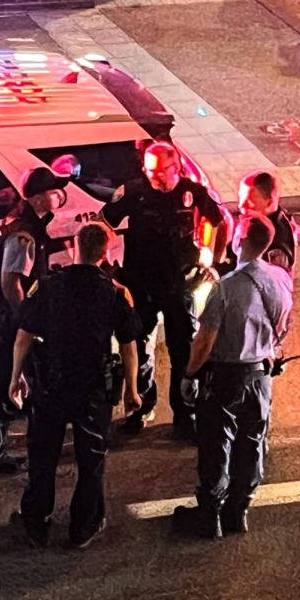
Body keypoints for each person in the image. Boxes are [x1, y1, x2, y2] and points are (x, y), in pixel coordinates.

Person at [8, 223, 141, 548]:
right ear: (106, 252)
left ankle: (36, 522)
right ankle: (85, 525)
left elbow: (23, 337)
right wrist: (131, 390)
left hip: (51, 384)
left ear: (73, 245)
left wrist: (15, 378)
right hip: (93, 388)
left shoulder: (48, 287)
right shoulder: (115, 292)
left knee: (43, 456)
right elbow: (129, 346)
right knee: (91, 458)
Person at [173, 215, 294, 539]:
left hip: (225, 377)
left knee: (217, 444)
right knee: (252, 443)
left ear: (239, 241)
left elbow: (205, 340)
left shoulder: (226, 289)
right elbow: (286, 323)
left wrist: (189, 375)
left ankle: (209, 514)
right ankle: (239, 511)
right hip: (260, 376)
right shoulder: (281, 279)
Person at [101, 141, 229, 442]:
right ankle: (140, 408)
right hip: (140, 284)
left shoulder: (192, 192)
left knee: (182, 350)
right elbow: (103, 221)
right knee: (138, 348)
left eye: (160, 172)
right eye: (149, 171)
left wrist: (216, 261)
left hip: (180, 283)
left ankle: (185, 414)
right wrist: (107, 267)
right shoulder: (133, 192)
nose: (154, 177)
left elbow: (221, 222)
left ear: (176, 168)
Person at [0, 166, 66, 473]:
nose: (59, 196)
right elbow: (11, 284)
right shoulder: (24, 235)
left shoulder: (18, 219)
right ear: (37, 199)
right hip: (9, 321)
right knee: (1, 385)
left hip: (2, 319)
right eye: (52, 192)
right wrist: (27, 322)